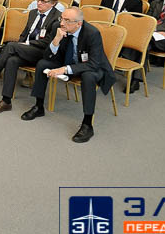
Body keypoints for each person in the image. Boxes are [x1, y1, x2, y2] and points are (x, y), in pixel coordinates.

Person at [21, 8, 115, 144]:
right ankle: (38, 106)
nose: (62, 23)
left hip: (92, 66)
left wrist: (65, 69)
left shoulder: (92, 33)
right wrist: (56, 40)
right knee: (42, 64)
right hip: (67, 61)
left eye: (67, 20)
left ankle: (87, 124)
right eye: (62, 18)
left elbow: (94, 63)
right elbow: (47, 56)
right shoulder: (57, 27)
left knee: (88, 77)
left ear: (79, 24)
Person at [0, 0, 63, 112]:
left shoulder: (57, 18)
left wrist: (24, 44)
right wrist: (22, 44)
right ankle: (6, 101)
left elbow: (48, 42)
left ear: (53, 3)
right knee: (12, 60)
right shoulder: (33, 13)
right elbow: (25, 33)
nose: (39, 3)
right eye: (38, 0)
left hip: (42, 53)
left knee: (11, 46)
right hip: (26, 49)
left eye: (43, 1)